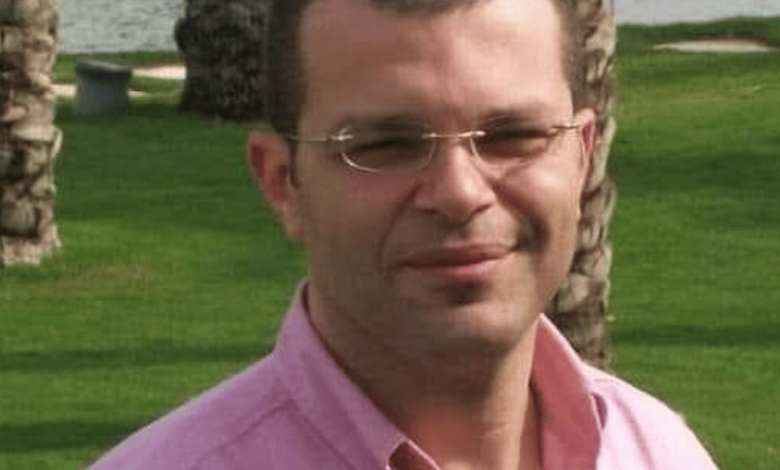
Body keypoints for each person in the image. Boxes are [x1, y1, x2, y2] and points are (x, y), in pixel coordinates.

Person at [86, 0, 719, 469]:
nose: (460, 193)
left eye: (513, 136)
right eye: (385, 145)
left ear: (581, 157)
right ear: (283, 184)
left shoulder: (656, 451)